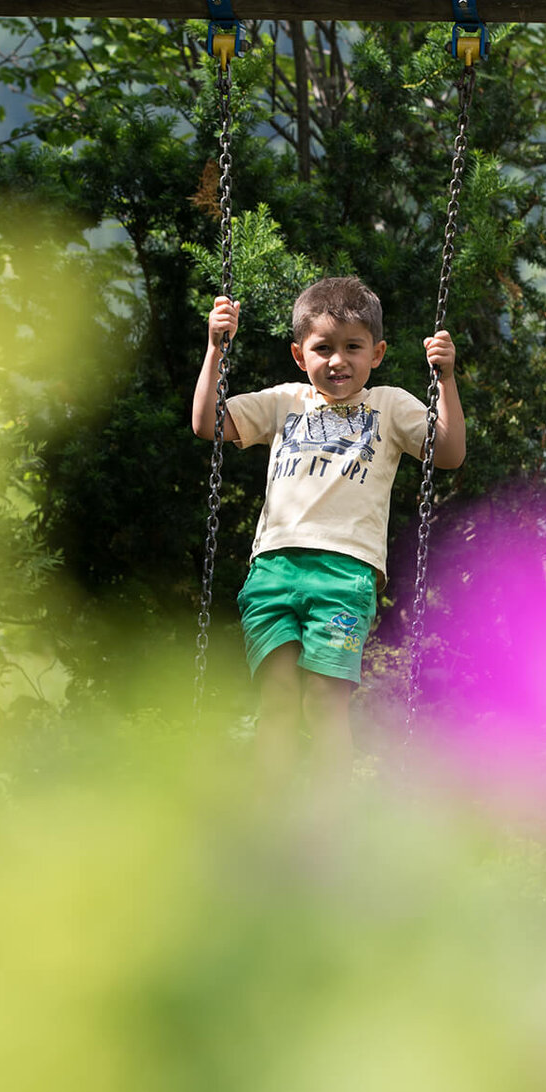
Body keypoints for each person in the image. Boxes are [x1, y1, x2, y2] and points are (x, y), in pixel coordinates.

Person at [192, 276, 465, 781]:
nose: (338, 360)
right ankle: (268, 808)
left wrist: (445, 378)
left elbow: (448, 453)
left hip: (345, 575)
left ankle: (329, 822)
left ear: (377, 353)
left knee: (323, 700)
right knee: (276, 698)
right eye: (323, 348)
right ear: (300, 355)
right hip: (273, 569)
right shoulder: (285, 401)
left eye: (353, 347)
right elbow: (208, 423)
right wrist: (215, 349)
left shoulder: (391, 405)